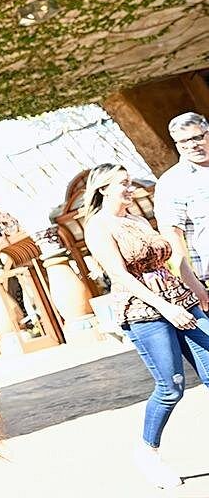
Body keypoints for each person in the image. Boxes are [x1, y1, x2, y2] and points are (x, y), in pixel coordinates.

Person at [82, 162, 209, 489]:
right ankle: (147, 452)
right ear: (103, 189)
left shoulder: (136, 218)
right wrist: (166, 308)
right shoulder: (98, 226)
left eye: (129, 182)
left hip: (180, 299)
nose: (129, 188)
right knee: (171, 387)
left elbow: (170, 259)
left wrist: (195, 288)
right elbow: (121, 275)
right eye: (122, 183)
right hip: (144, 310)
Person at [154, 112, 209, 283]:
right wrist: (190, 282)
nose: (192, 145)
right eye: (184, 141)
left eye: (197, 137)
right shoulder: (171, 182)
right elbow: (172, 234)